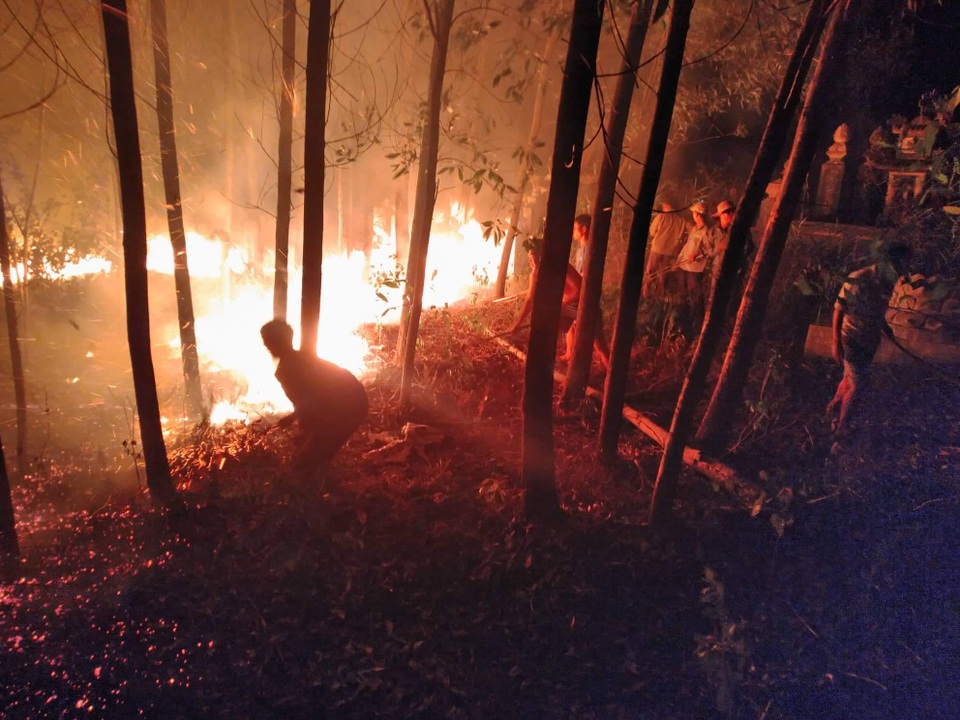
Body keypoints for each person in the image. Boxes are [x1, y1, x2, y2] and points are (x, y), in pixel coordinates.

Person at [826, 242, 911, 438]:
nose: (902, 270)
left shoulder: (887, 283)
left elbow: (876, 309)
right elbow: (839, 308)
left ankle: (830, 410)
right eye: (899, 265)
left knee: (849, 379)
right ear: (888, 262)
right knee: (858, 385)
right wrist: (835, 341)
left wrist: (884, 327)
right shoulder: (859, 279)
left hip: (869, 339)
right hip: (852, 337)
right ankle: (842, 427)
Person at [260, 319, 369, 465]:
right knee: (308, 448)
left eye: (267, 341)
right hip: (352, 401)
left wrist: (293, 419)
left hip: (348, 408)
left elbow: (312, 401)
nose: (266, 345)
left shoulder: (288, 370)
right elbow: (311, 401)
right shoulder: (302, 358)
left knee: (306, 463)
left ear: (274, 343)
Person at [509, 237, 610, 368]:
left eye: (533, 255)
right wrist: (517, 324)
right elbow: (530, 300)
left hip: (585, 306)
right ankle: (559, 358)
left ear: (542, 255)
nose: (530, 260)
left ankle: (612, 375)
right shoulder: (535, 274)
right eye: (529, 256)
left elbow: (579, 290)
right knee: (552, 324)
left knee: (599, 345)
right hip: (568, 308)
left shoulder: (560, 267)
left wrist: (560, 305)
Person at [675, 201, 714, 328]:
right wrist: (678, 260)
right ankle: (683, 320)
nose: (693, 215)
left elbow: (709, 250)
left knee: (695, 295)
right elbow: (687, 246)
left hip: (695, 269)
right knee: (682, 293)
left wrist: (697, 255)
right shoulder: (694, 229)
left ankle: (698, 323)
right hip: (684, 266)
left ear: (698, 214)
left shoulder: (706, 231)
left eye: (693, 213)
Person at [644, 200, 690, 299]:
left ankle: (646, 293)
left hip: (657, 248)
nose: (663, 207)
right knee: (663, 274)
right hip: (671, 251)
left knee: (650, 271)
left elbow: (652, 232)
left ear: (668, 205)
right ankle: (659, 294)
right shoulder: (681, 220)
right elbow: (692, 230)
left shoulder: (661, 216)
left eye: (663, 205)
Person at [708, 200, 754, 298]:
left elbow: (749, 246)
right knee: (715, 297)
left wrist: (738, 260)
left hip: (735, 270)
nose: (731, 214)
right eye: (727, 212)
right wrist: (719, 248)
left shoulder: (741, 229)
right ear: (720, 215)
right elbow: (709, 251)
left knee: (732, 297)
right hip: (717, 271)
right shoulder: (713, 231)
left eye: (732, 211)